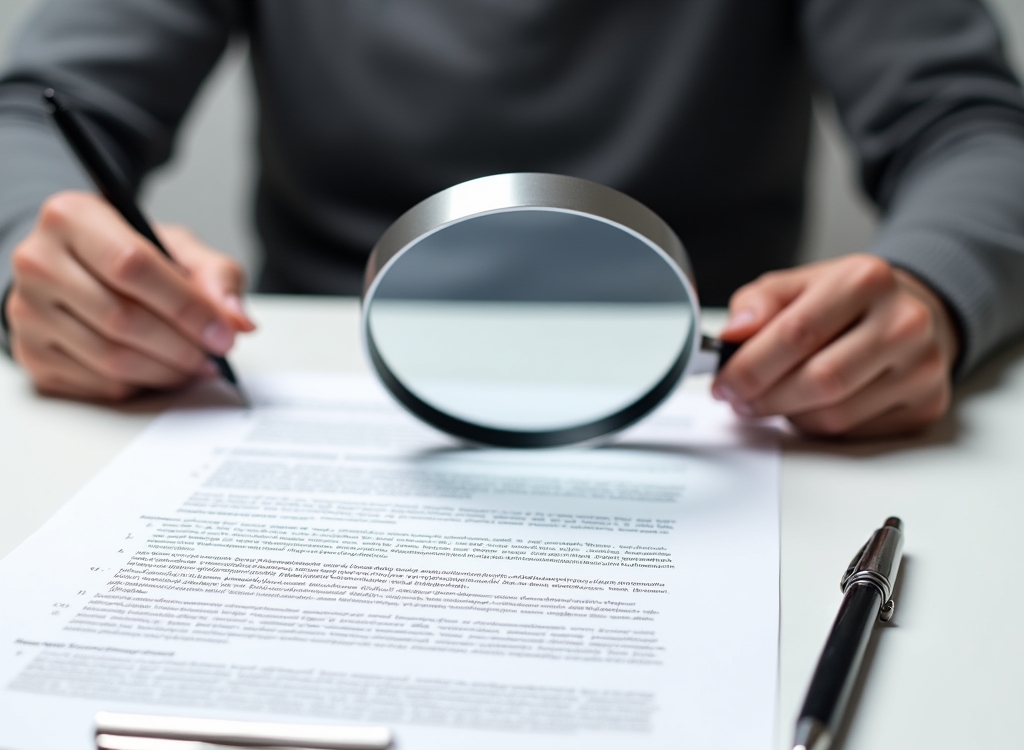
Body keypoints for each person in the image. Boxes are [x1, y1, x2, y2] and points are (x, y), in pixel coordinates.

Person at [1, 0, 1023, 438]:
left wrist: (933, 289)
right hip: (307, 397)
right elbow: (35, 117)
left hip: (727, 398)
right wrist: (38, 261)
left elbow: (972, 128)